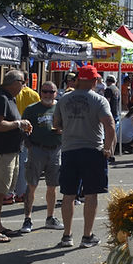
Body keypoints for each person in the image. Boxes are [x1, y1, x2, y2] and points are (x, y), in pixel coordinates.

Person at [53, 64, 116, 248]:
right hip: (92, 150)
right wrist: (108, 148)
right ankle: (87, 235)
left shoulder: (64, 99)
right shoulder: (99, 100)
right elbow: (110, 124)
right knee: (91, 194)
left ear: (79, 79)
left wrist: (70, 128)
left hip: (69, 150)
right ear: (95, 80)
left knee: (68, 194)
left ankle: (67, 235)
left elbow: (56, 124)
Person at [0, 70, 32, 243]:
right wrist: (19, 123)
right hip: (1, 152)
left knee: (2, 191)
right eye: (23, 82)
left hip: (10, 151)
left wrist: (21, 126)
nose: (24, 85)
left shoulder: (8, 98)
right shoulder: (1, 98)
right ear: (15, 82)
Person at [19, 80, 64, 234]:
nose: (48, 95)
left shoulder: (60, 107)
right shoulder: (31, 109)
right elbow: (23, 130)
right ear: (40, 92)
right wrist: (29, 145)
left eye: (51, 92)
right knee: (31, 185)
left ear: (56, 93)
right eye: (45, 91)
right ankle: (27, 218)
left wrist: (62, 132)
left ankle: (50, 217)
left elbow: (68, 126)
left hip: (55, 150)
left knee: (52, 186)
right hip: (37, 149)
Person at [9, 79, 41, 205]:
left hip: (11, 129)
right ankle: (21, 193)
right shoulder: (33, 94)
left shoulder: (12, 94)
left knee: (11, 163)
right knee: (23, 164)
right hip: (27, 131)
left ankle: (8, 193)